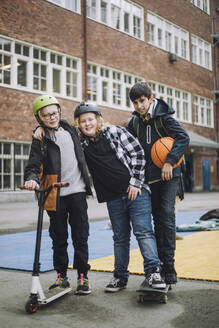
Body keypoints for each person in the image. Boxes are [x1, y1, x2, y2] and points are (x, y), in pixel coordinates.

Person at [73, 102, 166, 292]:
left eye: (90, 119)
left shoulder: (114, 132)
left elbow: (138, 154)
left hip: (135, 192)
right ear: (78, 124)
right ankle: (120, 277)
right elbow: (62, 131)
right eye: (83, 121)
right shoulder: (81, 144)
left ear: (97, 120)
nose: (87, 124)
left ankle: (154, 272)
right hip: (113, 198)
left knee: (143, 232)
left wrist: (135, 182)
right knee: (120, 238)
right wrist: (40, 130)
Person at [24, 94, 92, 295]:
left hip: (77, 192)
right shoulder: (40, 139)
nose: (51, 118)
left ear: (60, 112)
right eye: (46, 116)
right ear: (39, 118)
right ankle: (62, 277)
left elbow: (90, 127)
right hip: (55, 195)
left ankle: (82, 277)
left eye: (54, 113)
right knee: (58, 237)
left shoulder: (70, 129)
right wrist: (32, 179)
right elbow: (33, 164)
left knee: (81, 236)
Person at [127, 81, 190, 285]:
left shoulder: (164, 118)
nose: (139, 106)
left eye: (142, 101)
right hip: (149, 178)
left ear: (151, 98)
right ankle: (160, 266)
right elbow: (122, 141)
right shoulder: (134, 123)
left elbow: (183, 138)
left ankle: (169, 268)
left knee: (166, 218)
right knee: (156, 220)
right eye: (135, 102)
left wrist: (170, 161)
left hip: (169, 175)